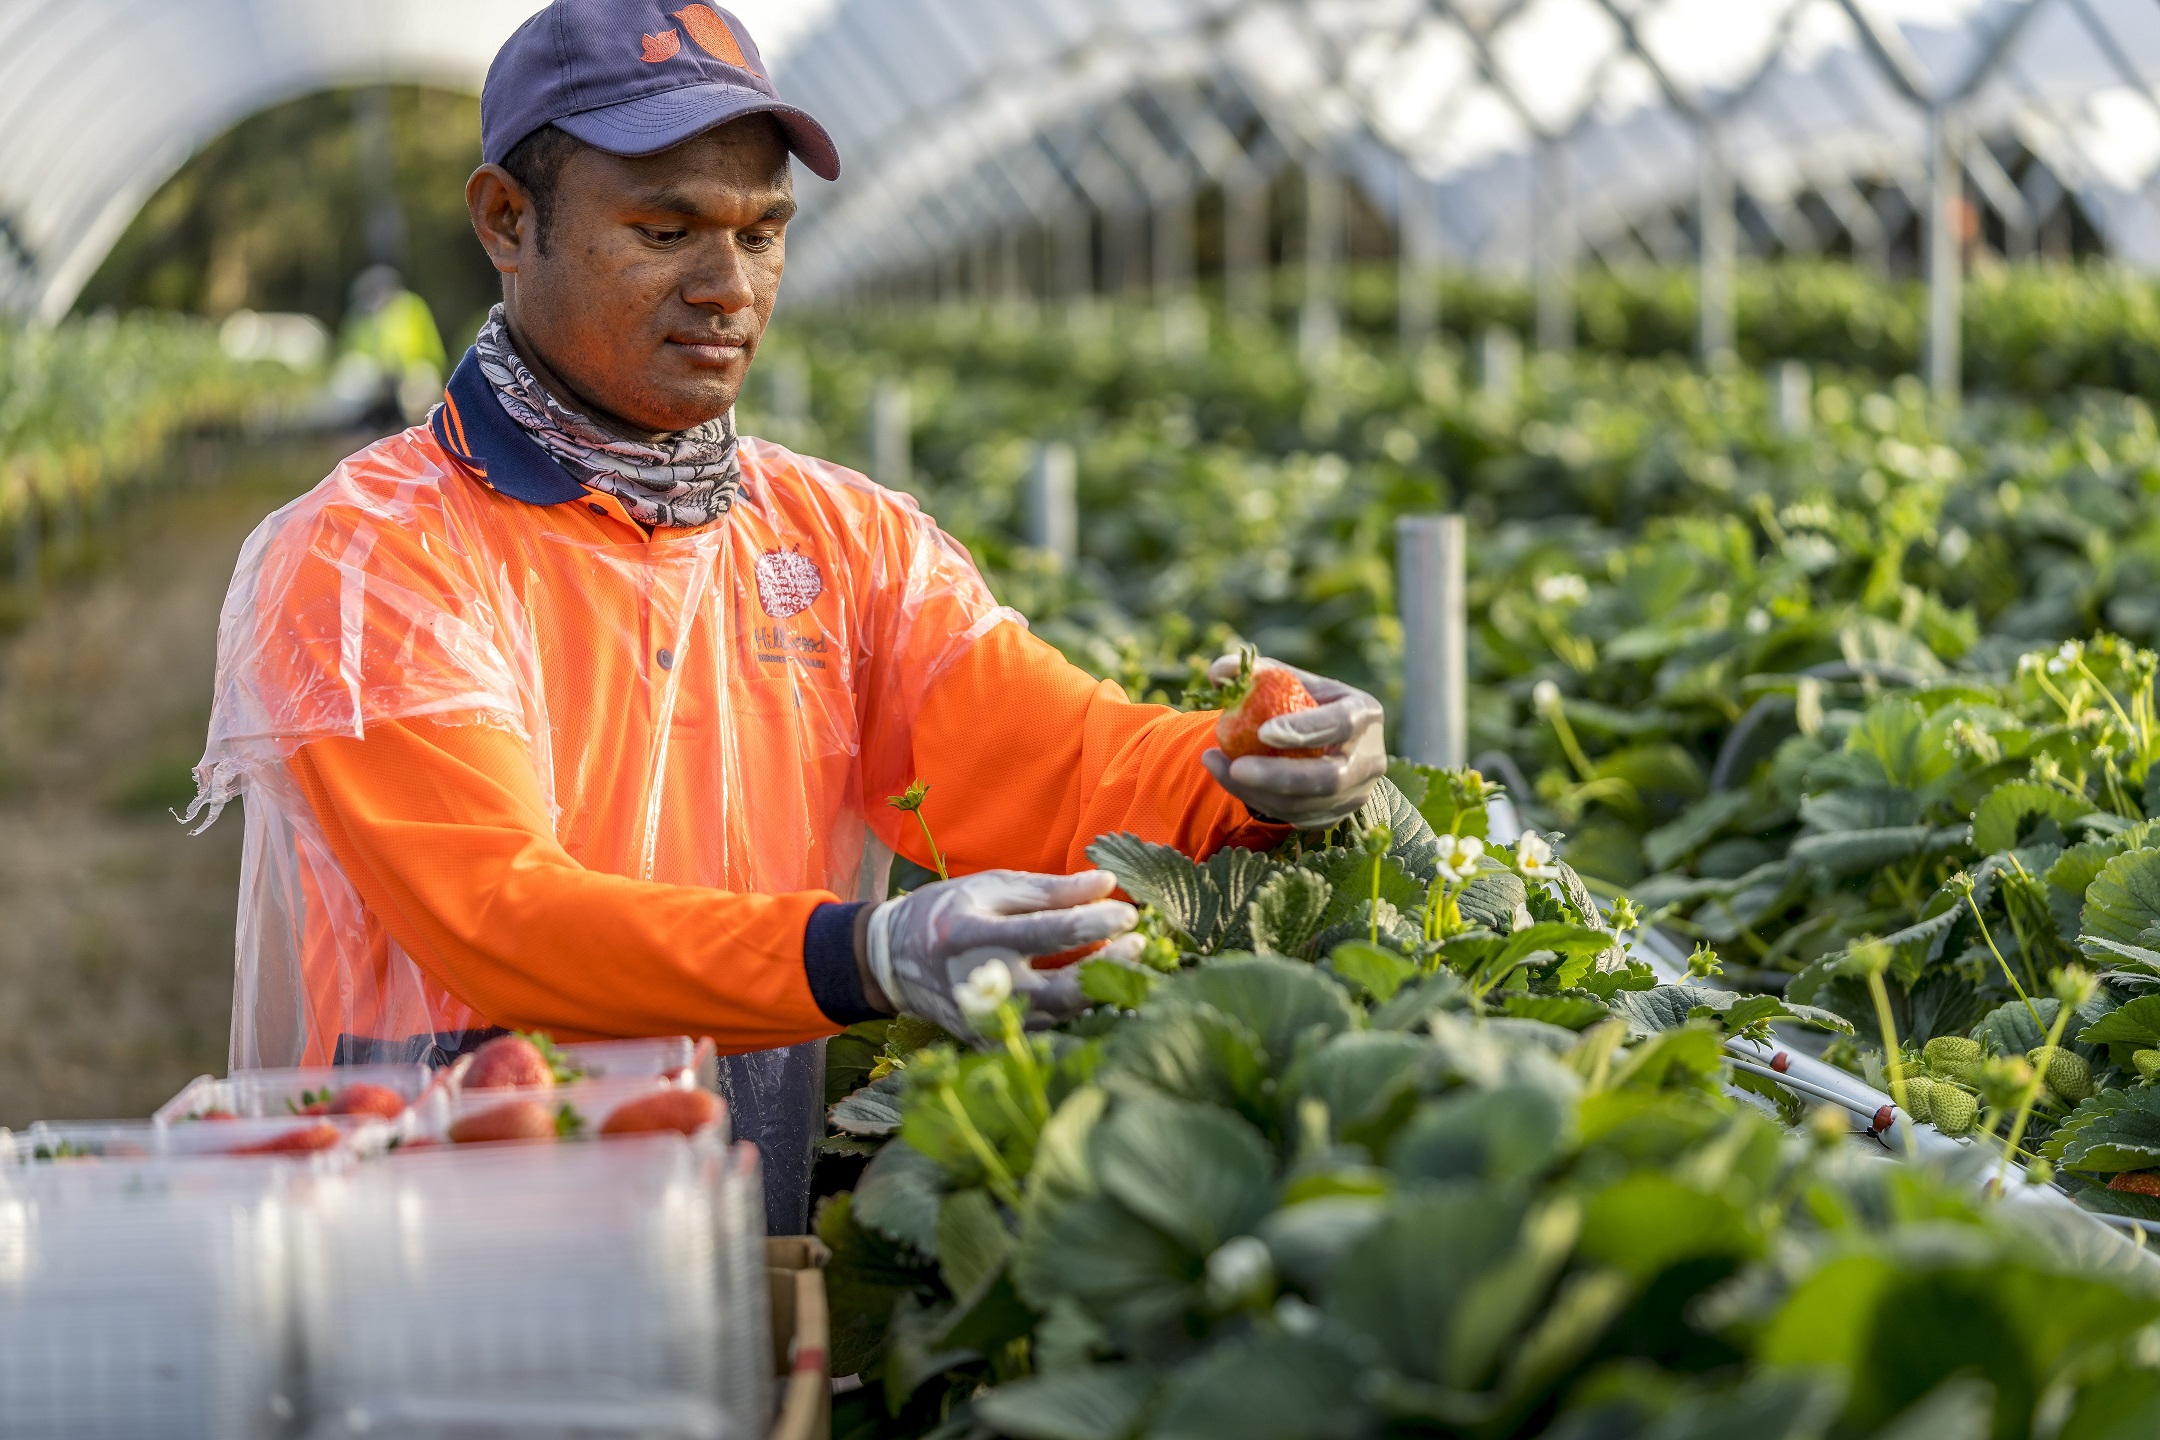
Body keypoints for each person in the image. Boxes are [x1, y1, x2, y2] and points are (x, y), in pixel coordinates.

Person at [192, 0, 1386, 1231]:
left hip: (741, 1190)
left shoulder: (842, 543)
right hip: (442, 1204)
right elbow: (501, 916)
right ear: (507, 220)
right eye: (665, 231)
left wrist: (1244, 765)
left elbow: (1058, 763)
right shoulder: (372, 553)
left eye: (764, 233)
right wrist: (856, 955)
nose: (729, 287)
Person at [330, 264, 448, 427]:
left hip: (415, 370)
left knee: (417, 397)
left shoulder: (410, 306)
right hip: (381, 377)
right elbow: (352, 352)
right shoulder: (364, 316)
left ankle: (421, 432)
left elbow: (426, 348)